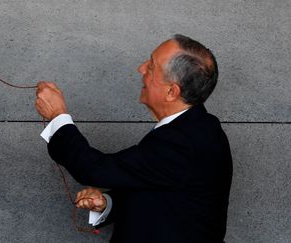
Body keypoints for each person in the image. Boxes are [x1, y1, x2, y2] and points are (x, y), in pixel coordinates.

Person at [35, 35, 232, 242]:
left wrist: (57, 116)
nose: (141, 68)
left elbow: (94, 169)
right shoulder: (199, 127)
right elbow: (162, 191)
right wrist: (107, 203)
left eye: (152, 67)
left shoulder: (181, 143)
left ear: (172, 92)